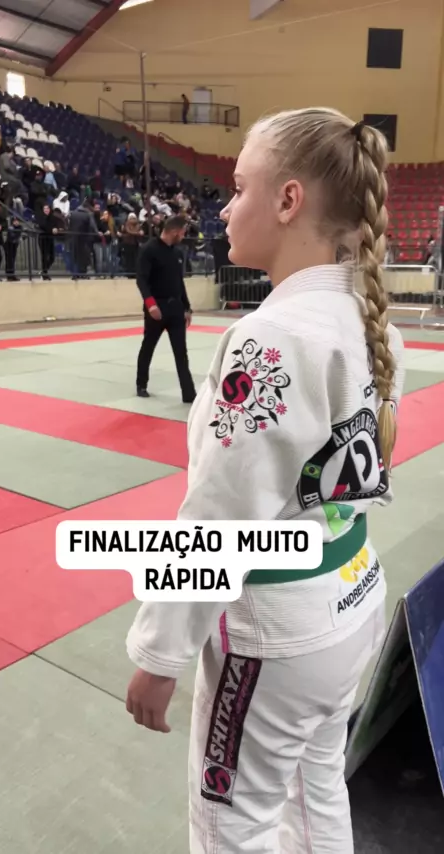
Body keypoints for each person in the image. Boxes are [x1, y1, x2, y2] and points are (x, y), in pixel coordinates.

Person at [125, 108, 406, 853]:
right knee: (316, 798)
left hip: (276, 631)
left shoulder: (270, 336)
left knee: (231, 828)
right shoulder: (371, 320)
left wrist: (159, 651)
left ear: (288, 201)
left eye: (239, 186)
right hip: (352, 595)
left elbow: (220, 513)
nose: (223, 208)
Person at [135, 214, 196, 402]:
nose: (183, 236)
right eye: (182, 232)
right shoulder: (149, 250)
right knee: (149, 346)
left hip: (176, 307)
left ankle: (189, 393)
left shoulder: (177, 253)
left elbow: (179, 282)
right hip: (157, 307)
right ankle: (141, 384)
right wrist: (150, 304)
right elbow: (141, 280)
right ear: (174, 231)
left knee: (181, 352)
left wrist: (187, 307)